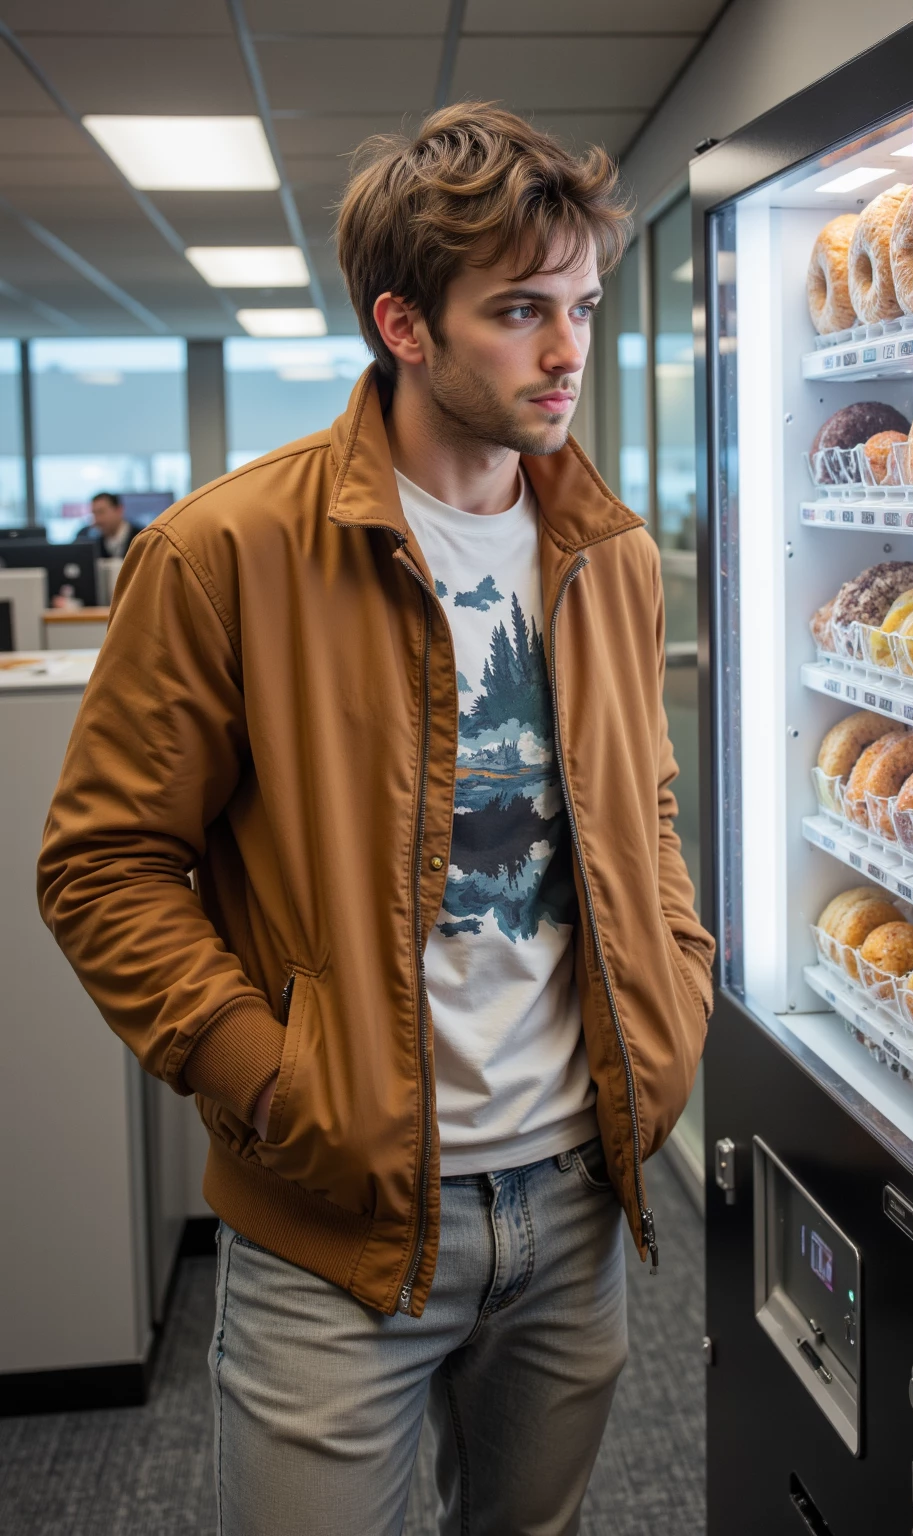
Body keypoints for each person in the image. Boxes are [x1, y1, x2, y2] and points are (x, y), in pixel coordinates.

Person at [38, 104, 714, 1536]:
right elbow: (104, 863)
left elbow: (639, 807)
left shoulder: (613, 555)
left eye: (582, 306)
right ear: (404, 326)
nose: (569, 351)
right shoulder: (228, 552)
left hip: (577, 1188)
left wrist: (676, 1006)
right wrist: (268, 1078)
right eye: (521, 311)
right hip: (335, 1219)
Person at [77, 490, 139, 559]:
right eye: (94, 514)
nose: (97, 520)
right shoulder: (91, 539)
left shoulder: (141, 537)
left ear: (119, 510)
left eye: (101, 512)